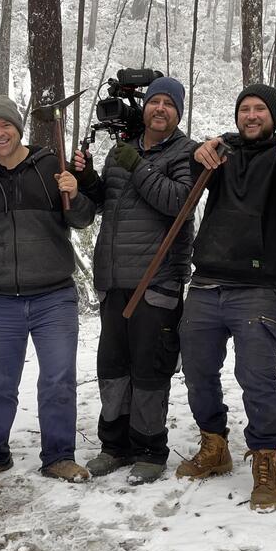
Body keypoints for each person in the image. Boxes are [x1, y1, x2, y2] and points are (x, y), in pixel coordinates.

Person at [175, 84, 276, 512]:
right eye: (245, 109)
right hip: (206, 282)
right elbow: (192, 167)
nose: (251, 116)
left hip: (256, 288)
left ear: (273, 116)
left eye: (260, 110)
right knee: (197, 372)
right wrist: (200, 151)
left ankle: (265, 460)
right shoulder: (221, 154)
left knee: (257, 377)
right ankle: (215, 446)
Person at [0, 95, 96, 487]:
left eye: (5, 125)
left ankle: (58, 456)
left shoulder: (51, 165)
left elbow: (83, 217)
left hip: (53, 296)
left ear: (18, 128)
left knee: (58, 380)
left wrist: (75, 189)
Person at [71, 77, 196, 485]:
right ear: (144, 108)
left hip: (157, 281)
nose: (160, 108)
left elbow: (178, 202)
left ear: (178, 112)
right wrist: (88, 178)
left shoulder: (186, 153)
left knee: (149, 369)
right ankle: (114, 445)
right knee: (112, 366)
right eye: (154, 102)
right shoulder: (122, 152)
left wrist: (137, 165)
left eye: (168, 104)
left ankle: (150, 448)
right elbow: (109, 201)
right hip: (114, 278)